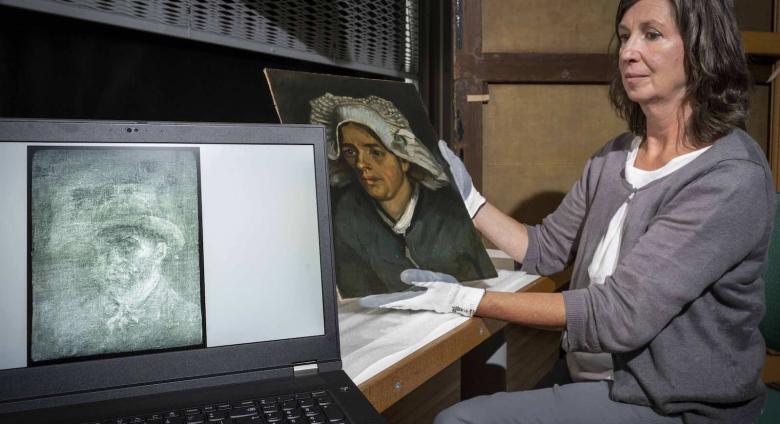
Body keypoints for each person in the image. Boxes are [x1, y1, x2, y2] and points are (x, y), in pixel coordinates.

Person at [361, 0, 775, 422]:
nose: (628, 51)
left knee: (458, 420)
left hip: (673, 403)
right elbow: (545, 248)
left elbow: (618, 316)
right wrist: (468, 201)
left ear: (704, 47)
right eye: (625, 35)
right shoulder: (613, 157)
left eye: (652, 34)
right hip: (590, 375)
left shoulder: (729, 176)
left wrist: (465, 299)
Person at [309, 93, 495, 298]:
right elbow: (354, 288)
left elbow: (474, 286)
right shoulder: (348, 213)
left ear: (404, 159)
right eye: (351, 152)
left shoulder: (448, 215)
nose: (361, 164)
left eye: (375, 152)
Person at [31, 184, 203, 361]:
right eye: (104, 247)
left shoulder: (189, 319)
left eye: (127, 245)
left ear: (159, 252)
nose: (112, 259)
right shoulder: (75, 319)